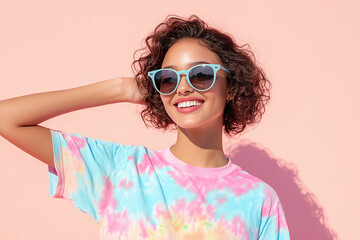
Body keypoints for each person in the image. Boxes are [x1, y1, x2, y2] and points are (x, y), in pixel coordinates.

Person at [0, 14, 291, 239]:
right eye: (168, 78)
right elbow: (6, 118)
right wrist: (120, 89)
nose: (184, 88)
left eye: (201, 75)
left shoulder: (258, 199)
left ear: (231, 86)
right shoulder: (122, 171)